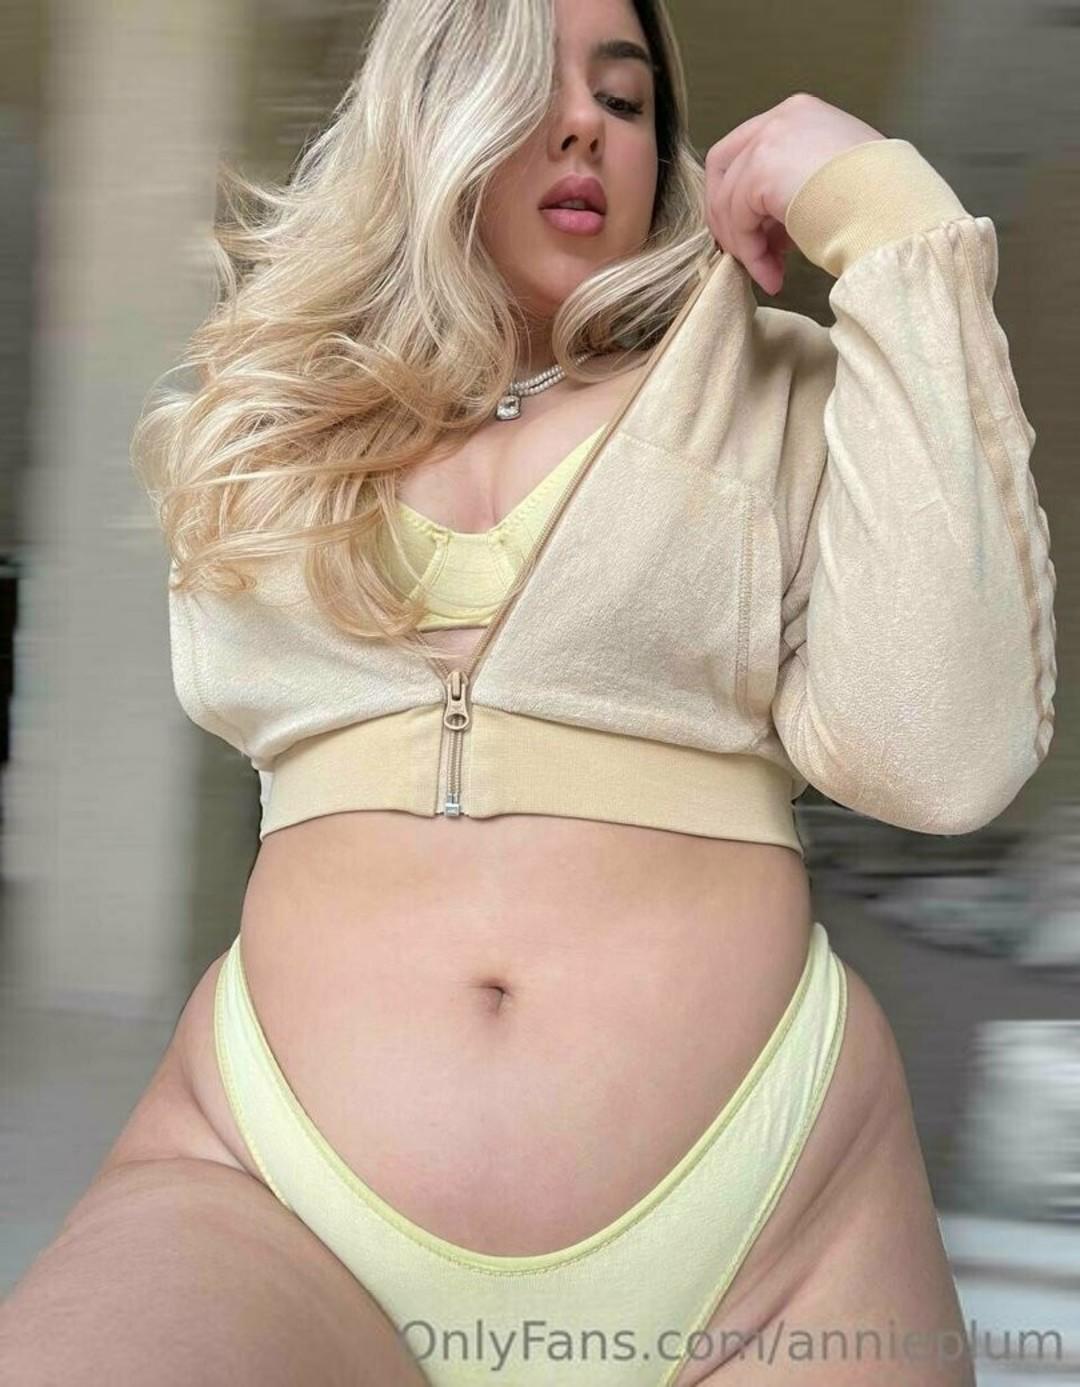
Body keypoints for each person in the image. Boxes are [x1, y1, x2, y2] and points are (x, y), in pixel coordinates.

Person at [0, 0, 1055, 1383]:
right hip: (273, 1191)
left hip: (772, 1231)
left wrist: (887, 223)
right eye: (527, 84)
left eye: (626, 100)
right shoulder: (273, 419)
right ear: (426, 118)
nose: (585, 128)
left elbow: (945, 756)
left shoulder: (776, 388)